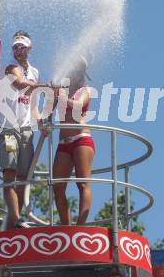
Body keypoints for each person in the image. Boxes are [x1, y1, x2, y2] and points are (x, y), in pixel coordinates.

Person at [0, 30, 42, 230]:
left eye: (22, 47)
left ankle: (16, 219)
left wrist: (40, 123)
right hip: (8, 127)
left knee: (24, 176)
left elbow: (32, 104)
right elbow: (19, 84)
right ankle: (14, 218)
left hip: (25, 129)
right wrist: (45, 87)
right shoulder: (9, 67)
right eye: (15, 47)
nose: (18, 50)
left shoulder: (34, 72)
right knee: (9, 173)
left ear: (29, 49)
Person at [52, 57, 95, 225]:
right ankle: (66, 226)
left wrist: (60, 95)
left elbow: (77, 106)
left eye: (77, 71)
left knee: (83, 184)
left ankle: (80, 226)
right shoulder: (61, 90)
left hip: (81, 139)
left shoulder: (86, 90)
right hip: (63, 142)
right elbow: (48, 111)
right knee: (58, 187)